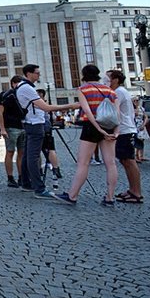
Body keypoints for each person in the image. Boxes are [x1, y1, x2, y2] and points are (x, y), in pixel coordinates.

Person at [55, 65, 120, 206]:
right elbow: (117, 114)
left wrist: (98, 128)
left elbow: (87, 111)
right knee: (111, 163)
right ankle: (110, 197)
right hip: (109, 126)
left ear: (84, 75)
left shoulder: (83, 89)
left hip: (92, 126)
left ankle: (72, 195)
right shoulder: (109, 90)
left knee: (83, 163)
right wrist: (116, 131)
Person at [16, 65, 78, 199]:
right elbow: (45, 107)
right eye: (37, 73)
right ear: (28, 73)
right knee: (33, 157)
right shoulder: (27, 88)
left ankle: (26, 183)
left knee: (28, 155)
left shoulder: (22, 86)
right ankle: (39, 188)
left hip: (29, 123)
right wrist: (70, 106)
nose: (39, 75)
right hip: (35, 124)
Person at [107, 71, 143, 203]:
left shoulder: (119, 92)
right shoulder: (121, 91)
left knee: (129, 161)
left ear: (115, 80)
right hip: (124, 129)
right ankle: (132, 189)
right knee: (125, 161)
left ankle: (136, 192)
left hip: (124, 130)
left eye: (108, 78)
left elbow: (111, 109)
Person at [0, 75, 26, 188]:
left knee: (22, 153)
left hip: (22, 126)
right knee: (10, 152)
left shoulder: (22, 94)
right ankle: (10, 178)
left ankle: (21, 177)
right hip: (10, 127)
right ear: (13, 83)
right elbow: (0, 113)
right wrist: (2, 128)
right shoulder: (5, 95)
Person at [36, 89, 63, 179]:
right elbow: (53, 118)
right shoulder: (45, 104)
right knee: (51, 149)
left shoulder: (35, 103)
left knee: (37, 151)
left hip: (38, 128)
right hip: (47, 128)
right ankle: (56, 169)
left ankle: (39, 170)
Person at [133, 96, 149, 164]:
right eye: (135, 101)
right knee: (136, 141)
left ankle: (141, 155)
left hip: (141, 125)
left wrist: (144, 124)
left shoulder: (141, 108)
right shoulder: (131, 109)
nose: (136, 102)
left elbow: (146, 117)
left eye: (137, 100)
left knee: (141, 140)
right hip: (134, 126)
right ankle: (135, 156)